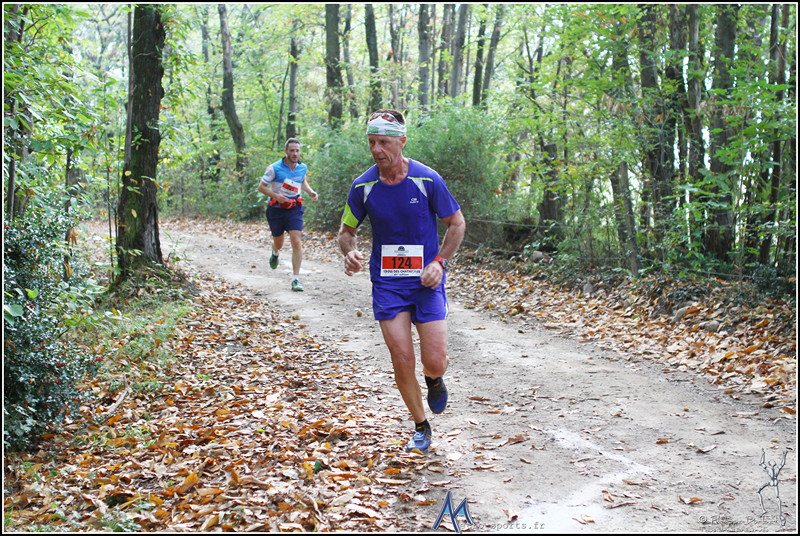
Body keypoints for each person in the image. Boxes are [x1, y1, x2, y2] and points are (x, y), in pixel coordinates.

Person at [337, 109, 466, 453]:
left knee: (434, 360)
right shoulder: (363, 186)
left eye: (383, 142)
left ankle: (434, 379)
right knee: (402, 358)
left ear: (402, 141)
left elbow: (457, 223)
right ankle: (421, 426)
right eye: (371, 142)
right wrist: (349, 251)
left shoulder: (427, 179)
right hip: (388, 284)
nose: (376, 149)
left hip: (426, 284)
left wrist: (440, 262)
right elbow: (346, 232)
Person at [258, 138, 318, 291]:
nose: (295, 154)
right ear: (285, 151)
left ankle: (296, 279)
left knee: (296, 241)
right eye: (292, 150)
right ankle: (275, 252)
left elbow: (302, 182)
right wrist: (276, 196)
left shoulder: (302, 167)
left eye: (297, 150)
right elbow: (261, 187)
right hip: (276, 209)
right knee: (279, 242)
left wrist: (311, 192)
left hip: (294, 208)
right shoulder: (274, 168)